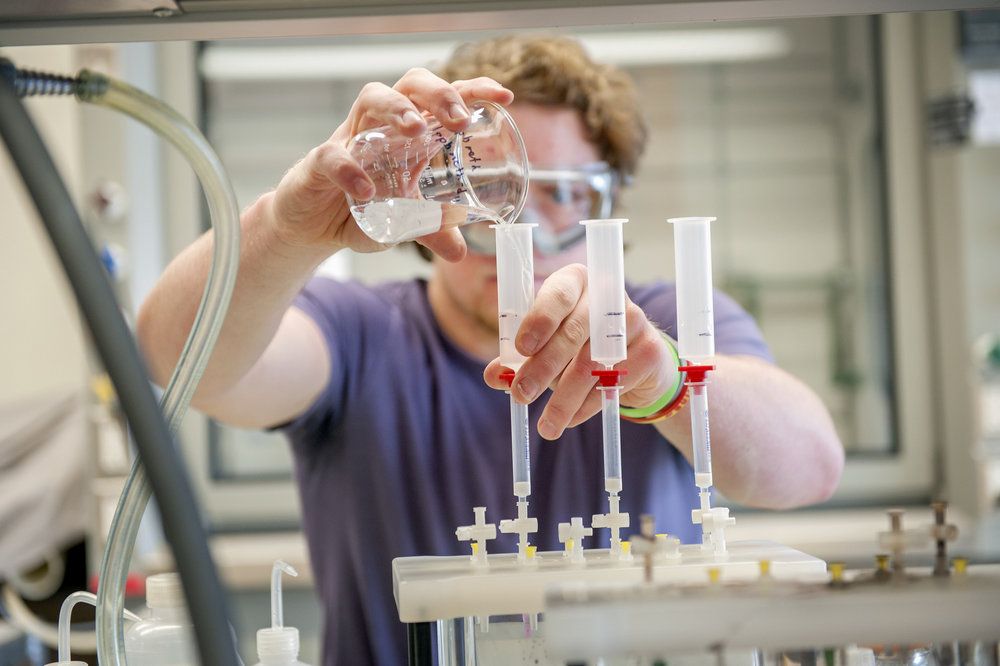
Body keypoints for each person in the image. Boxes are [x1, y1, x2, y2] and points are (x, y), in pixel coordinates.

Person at [137, 35, 843, 666]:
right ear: (430, 194)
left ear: (606, 209)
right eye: (493, 189)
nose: (525, 229)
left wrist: (663, 379)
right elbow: (176, 363)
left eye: (563, 194)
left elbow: (807, 467)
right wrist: (286, 230)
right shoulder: (360, 334)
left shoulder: (660, 322)